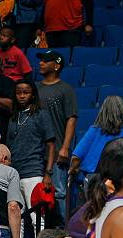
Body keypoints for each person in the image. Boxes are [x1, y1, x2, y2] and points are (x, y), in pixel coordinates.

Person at [36, 49, 78, 225]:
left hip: (57, 147)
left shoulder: (65, 89)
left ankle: (62, 230)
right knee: (37, 193)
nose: (41, 63)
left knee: (59, 192)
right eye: (41, 60)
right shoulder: (35, 88)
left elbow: (71, 119)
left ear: (57, 65)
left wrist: (65, 146)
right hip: (36, 150)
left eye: (46, 60)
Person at [7, 80, 55, 213]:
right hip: (14, 174)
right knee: (17, 218)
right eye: (18, 93)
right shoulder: (13, 117)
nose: (22, 96)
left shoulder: (41, 114)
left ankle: (41, 236)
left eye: (26, 92)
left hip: (33, 172)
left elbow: (51, 145)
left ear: (33, 95)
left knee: (37, 217)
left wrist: (48, 173)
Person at [70, 96, 123, 178]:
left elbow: (76, 157)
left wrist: (73, 170)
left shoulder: (94, 130)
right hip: (120, 176)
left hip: (94, 177)